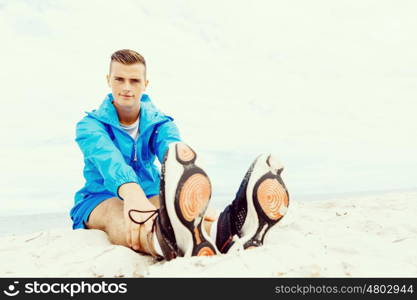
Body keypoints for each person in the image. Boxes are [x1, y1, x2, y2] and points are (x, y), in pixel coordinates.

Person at [70, 49, 290, 261]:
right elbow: (108, 159)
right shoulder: (89, 126)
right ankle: (160, 242)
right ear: (108, 80)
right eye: (119, 79)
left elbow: (173, 152)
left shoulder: (161, 123)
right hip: (99, 197)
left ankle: (224, 231)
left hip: (149, 190)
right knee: (124, 214)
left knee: (173, 215)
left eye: (134, 81)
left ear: (145, 84)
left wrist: (192, 197)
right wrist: (131, 193)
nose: (126, 87)